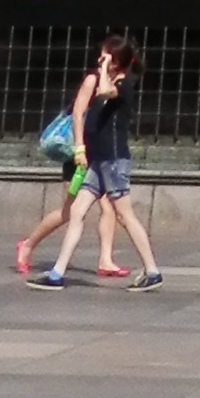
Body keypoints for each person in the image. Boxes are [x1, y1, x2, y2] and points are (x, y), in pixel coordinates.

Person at [39, 35, 161, 287]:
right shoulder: (111, 79)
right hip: (97, 160)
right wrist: (81, 148)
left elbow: (105, 92)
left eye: (106, 56)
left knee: (125, 216)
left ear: (117, 61)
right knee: (77, 211)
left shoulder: (125, 83)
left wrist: (104, 68)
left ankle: (152, 271)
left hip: (113, 159)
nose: (99, 59)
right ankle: (57, 273)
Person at [17, 47, 96, 280]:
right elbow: (78, 117)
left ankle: (106, 261)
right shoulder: (94, 87)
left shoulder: (114, 88)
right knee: (69, 211)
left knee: (113, 210)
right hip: (79, 158)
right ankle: (28, 244)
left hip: (100, 158)